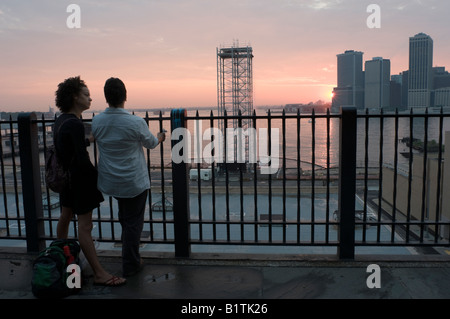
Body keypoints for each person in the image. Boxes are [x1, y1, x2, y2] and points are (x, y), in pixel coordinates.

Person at [54, 76, 126, 286]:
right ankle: (99, 273)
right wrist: (100, 175)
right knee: (85, 227)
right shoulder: (75, 124)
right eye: (86, 94)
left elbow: (69, 147)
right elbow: (82, 160)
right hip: (80, 183)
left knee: (65, 217)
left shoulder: (61, 121)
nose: (90, 98)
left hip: (66, 182)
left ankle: (62, 257)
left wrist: (89, 140)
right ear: (75, 97)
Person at [92, 77, 166, 277]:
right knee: (133, 223)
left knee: (125, 218)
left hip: (111, 181)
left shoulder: (97, 120)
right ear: (125, 96)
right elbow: (151, 143)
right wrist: (160, 137)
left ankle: (129, 256)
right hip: (134, 181)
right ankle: (131, 264)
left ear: (106, 97)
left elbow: (94, 138)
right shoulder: (135, 121)